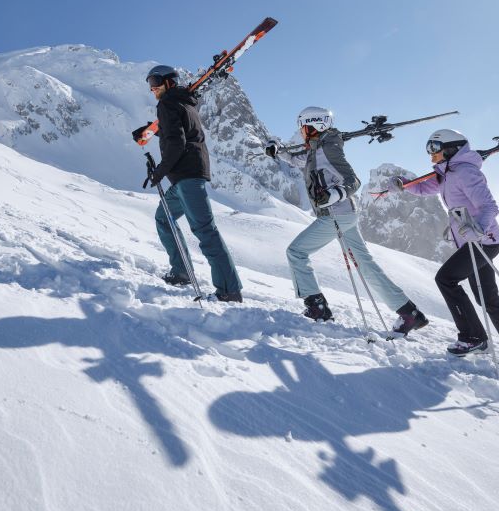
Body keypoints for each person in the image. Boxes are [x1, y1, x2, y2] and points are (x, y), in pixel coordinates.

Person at [266, 107, 427, 334]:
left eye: (303, 127)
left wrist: (334, 194)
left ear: (314, 125)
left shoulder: (328, 149)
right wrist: (277, 148)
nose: (301, 132)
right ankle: (409, 313)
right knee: (366, 264)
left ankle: (317, 307)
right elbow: (297, 160)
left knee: (296, 252)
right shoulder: (317, 149)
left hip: (336, 214)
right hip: (345, 215)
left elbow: (353, 181)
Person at [390, 129, 499, 367]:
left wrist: (478, 229)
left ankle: (473, 337)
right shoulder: (448, 173)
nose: (431, 156)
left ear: (451, 148)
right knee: (487, 298)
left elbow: (489, 206)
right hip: (473, 242)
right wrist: (404, 186)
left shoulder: (465, 173)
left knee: (446, 279)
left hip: (483, 241)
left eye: (434, 150)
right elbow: (424, 189)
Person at [133, 65, 244, 302]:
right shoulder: (184, 102)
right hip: (186, 176)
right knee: (164, 219)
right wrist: (151, 130)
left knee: (205, 230)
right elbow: (177, 132)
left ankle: (229, 290)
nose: (152, 88)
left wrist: (160, 171)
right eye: (149, 83)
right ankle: (181, 271)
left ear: (170, 81)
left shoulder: (167, 104)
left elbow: (177, 142)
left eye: (156, 81)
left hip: (187, 176)